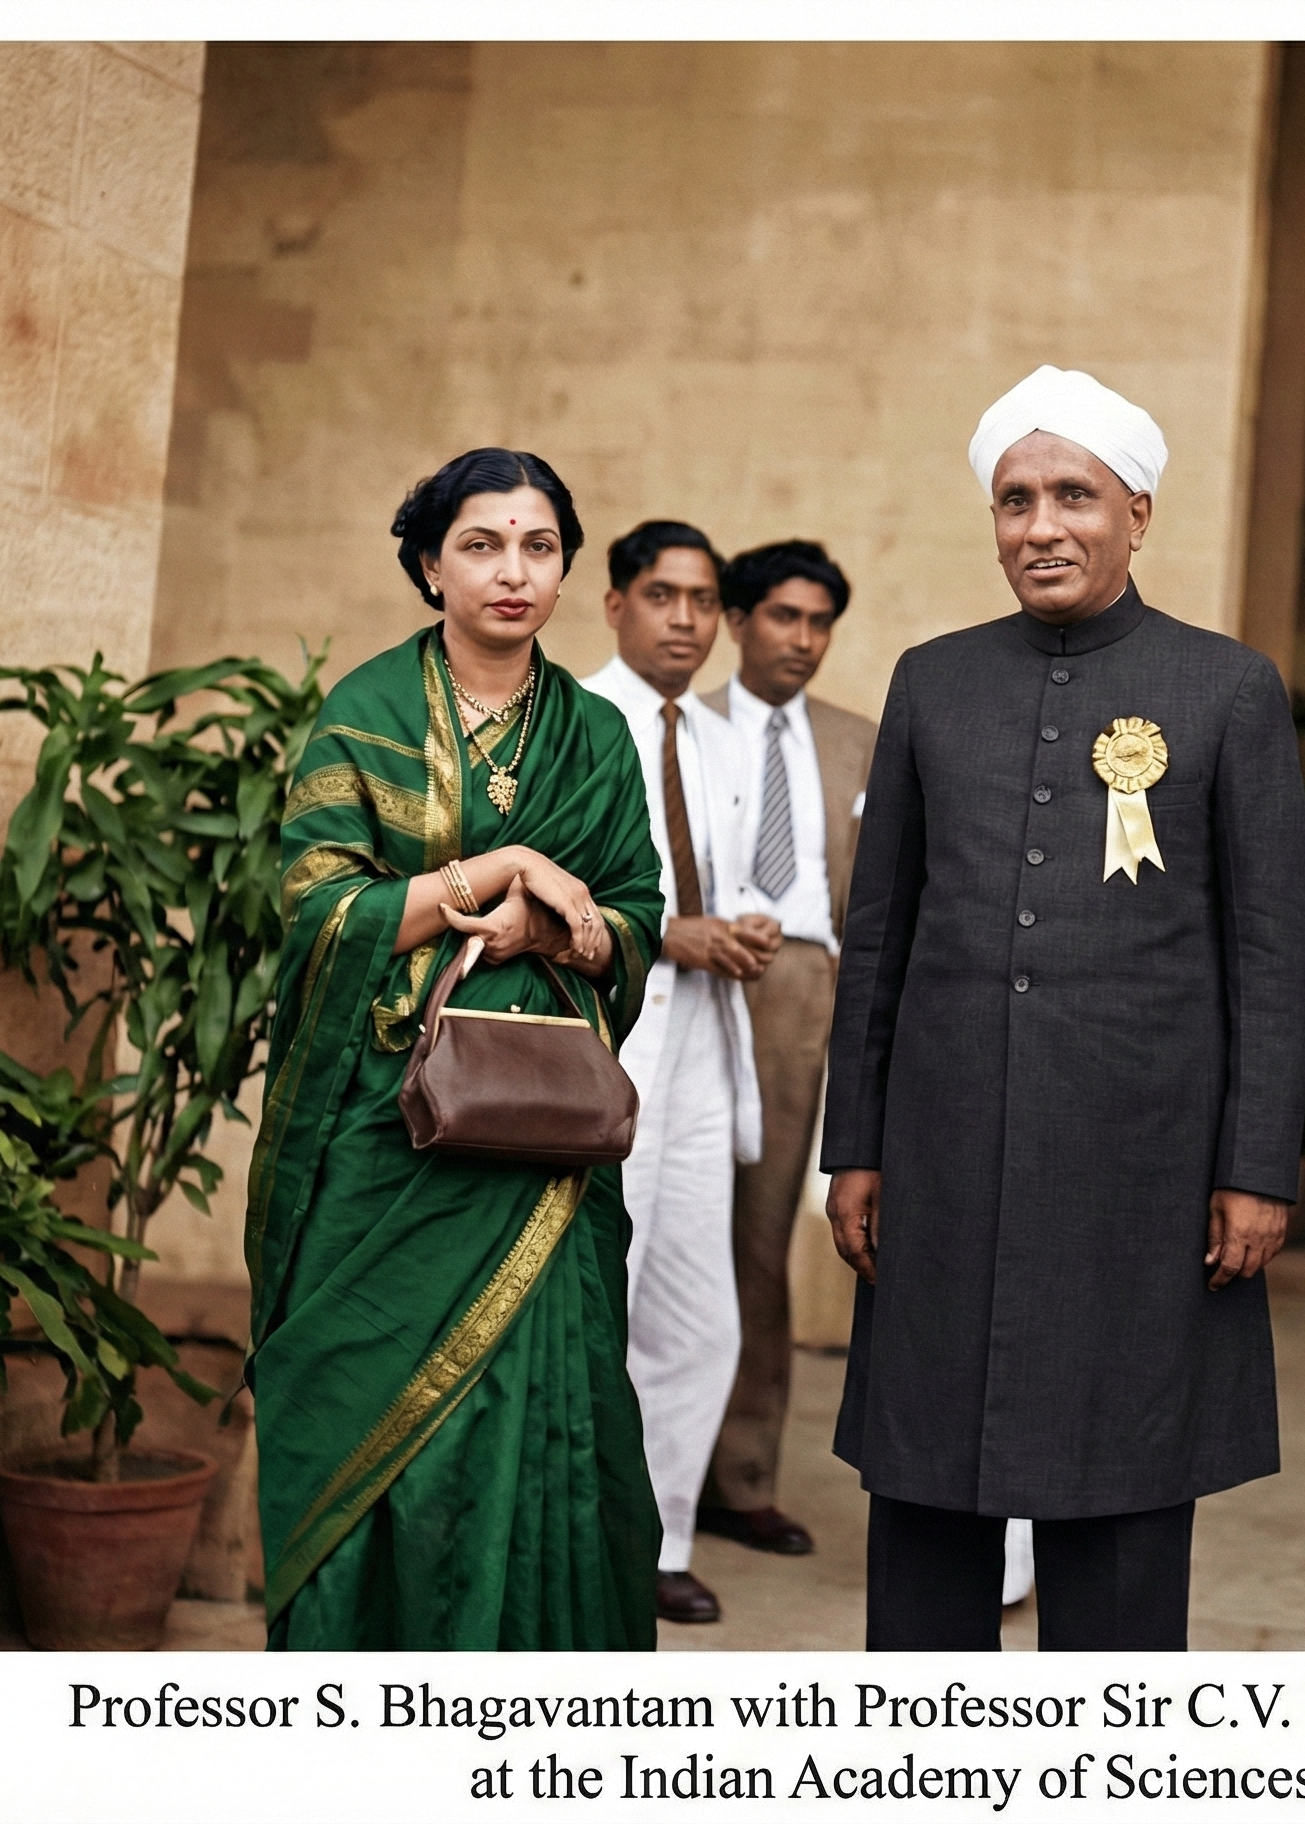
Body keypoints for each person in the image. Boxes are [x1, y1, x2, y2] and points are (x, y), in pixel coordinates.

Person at [820, 365, 1305, 1651]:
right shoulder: (933, 683)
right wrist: (856, 1147)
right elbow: (878, 938)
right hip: (943, 1160)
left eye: (1074, 497)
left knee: (1124, 1502)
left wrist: (1254, 1168)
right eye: (1015, 499)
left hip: (1139, 1174)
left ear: (1137, 513)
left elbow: (1270, 951)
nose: (1041, 526)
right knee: (924, 1494)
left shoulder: (1226, 690)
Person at [247, 448, 663, 1649]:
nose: (512, 571)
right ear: (430, 564)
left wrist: (559, 924)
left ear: (566, 568)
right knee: (369, 1414)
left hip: (545, 1139)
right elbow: (320, 912)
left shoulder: (592, 735)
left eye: (538, 546)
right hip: (389, 1139)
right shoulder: (367, 713)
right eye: (481, 545)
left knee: (550, 1410)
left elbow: (631, 917)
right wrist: (501, 867)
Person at [581, 520, 783, 1624]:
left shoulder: (710, 738)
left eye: (702, 601)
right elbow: (555, 884)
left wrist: (735, 931)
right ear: (615, 604)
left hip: (706, 1047)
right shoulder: (571, 717)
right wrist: (671, 934)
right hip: (609, 1047)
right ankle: (589, 1531)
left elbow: (725, 878)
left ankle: (659, 1539)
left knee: (698, 1313)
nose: (685, 621)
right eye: (662, 597)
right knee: (599, 1292)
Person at [694, 539, 876, 1558]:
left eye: (819, 623)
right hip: (689, 979)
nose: (802, 640)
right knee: (666, 1235)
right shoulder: (684, 722)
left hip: (806, 988)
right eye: (782, 618)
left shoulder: (860, 741)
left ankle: (743, 1473)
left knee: (760, 1245)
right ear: (737, 620)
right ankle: (643, 1470)